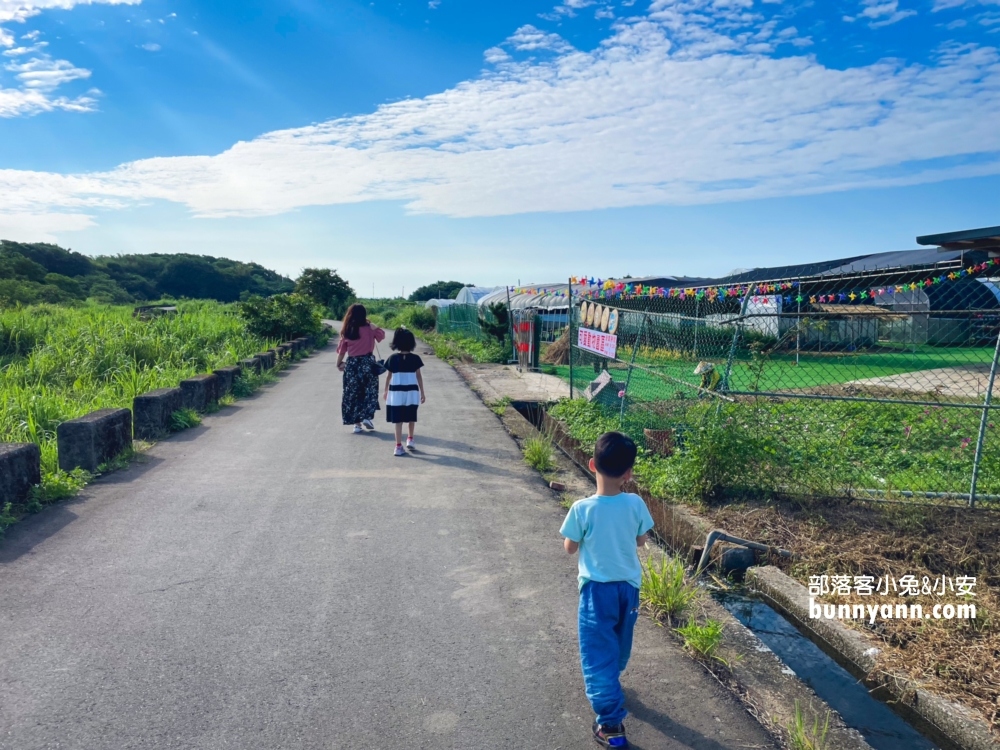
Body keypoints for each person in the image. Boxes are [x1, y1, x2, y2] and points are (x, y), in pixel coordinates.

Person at [559, 432, 655, 749]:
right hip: (628, 590)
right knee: (619, 642)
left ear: (591, 465)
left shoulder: (582, 509)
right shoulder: (635, 503)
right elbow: (641, 540)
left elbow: (570, 548)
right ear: (628, 474)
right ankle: (611, 684)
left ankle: (611, 726)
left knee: (597, 655)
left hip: (596, 593)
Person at [336, 303, 386, 433]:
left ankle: (356, 425)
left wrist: (339, 364)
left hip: (352, 364)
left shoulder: (347, 330)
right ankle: (367, 417)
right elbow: (381, 335)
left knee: (352, 393)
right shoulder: (369, 328)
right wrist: (374, 326)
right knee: (369, 391)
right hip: (368, 362)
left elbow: (342, 351)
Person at [382, 327, 425, 456]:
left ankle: (398, 446)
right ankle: (410, 439)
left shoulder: (392, 358)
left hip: (396, 392)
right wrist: (422, 392)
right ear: (412, 343)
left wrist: (385, 391)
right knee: (411, 416)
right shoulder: (416, 359)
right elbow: (419, 376)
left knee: (398, 420)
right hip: (412, 391)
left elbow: (388, 376)